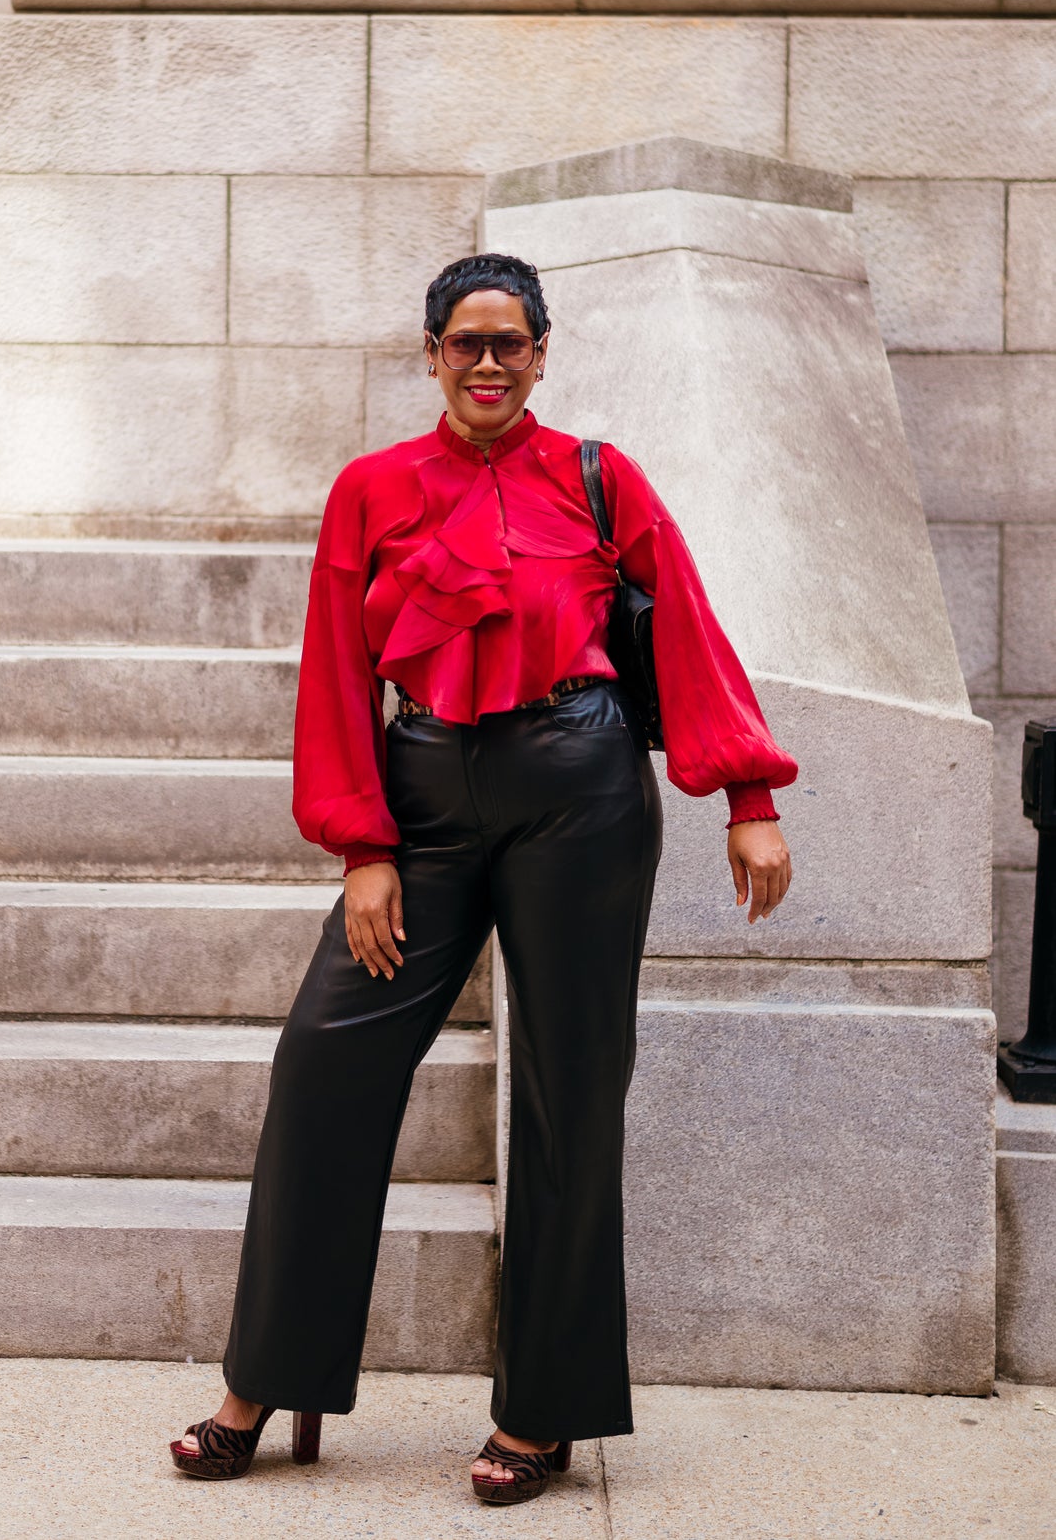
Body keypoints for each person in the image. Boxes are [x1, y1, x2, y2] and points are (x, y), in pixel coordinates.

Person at [170, 252, 795, 1504]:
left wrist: (747, 796)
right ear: (431, 353)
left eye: (511, 341)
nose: (490, 363)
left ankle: (542, 1412)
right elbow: (333, 676)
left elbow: (683, 622)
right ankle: (265, 1375)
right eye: (467, 342)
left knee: (570, 1090)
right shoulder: (369, 490)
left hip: (580, 791)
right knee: (325, 1057)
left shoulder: (598, 477)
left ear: (543, 352)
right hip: (426, 798)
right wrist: (362, 846)